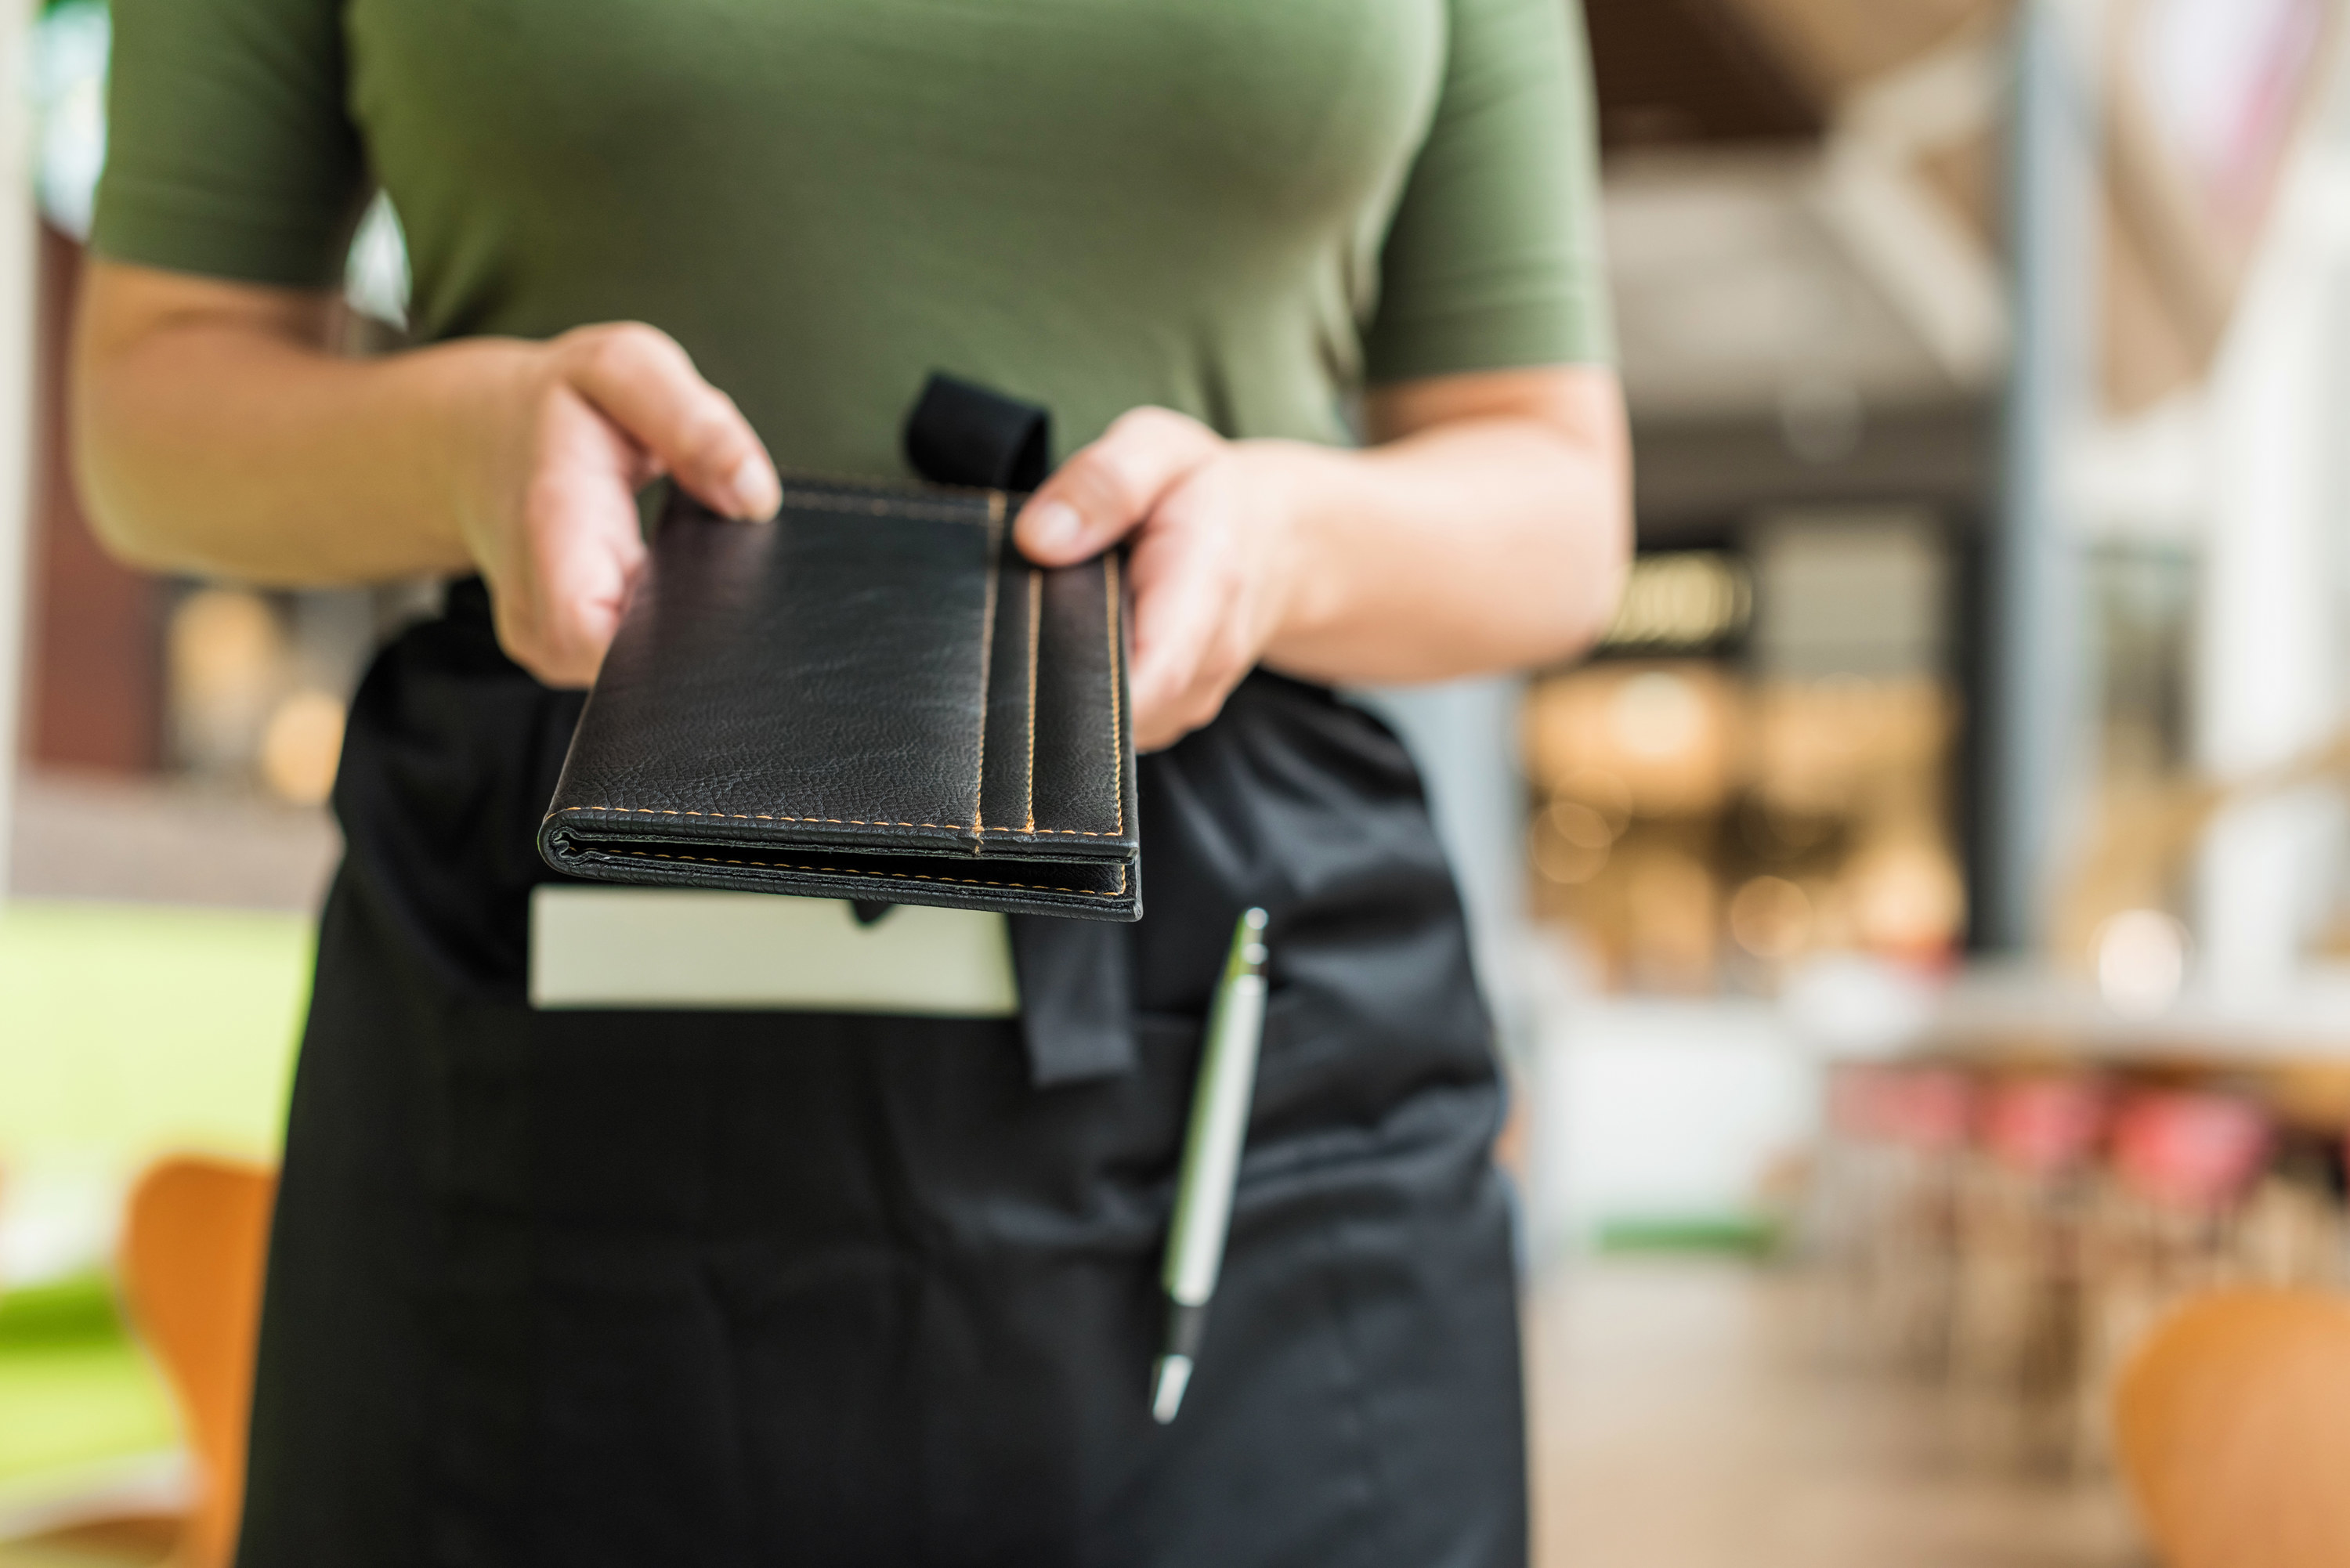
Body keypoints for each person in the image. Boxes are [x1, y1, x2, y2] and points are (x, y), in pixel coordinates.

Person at [74, 2, 1629, 1563]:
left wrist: (1285, 536)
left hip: (1232, 962)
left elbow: (1556, 497)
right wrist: (463, 444)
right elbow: (150, 408)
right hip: (547, 954)